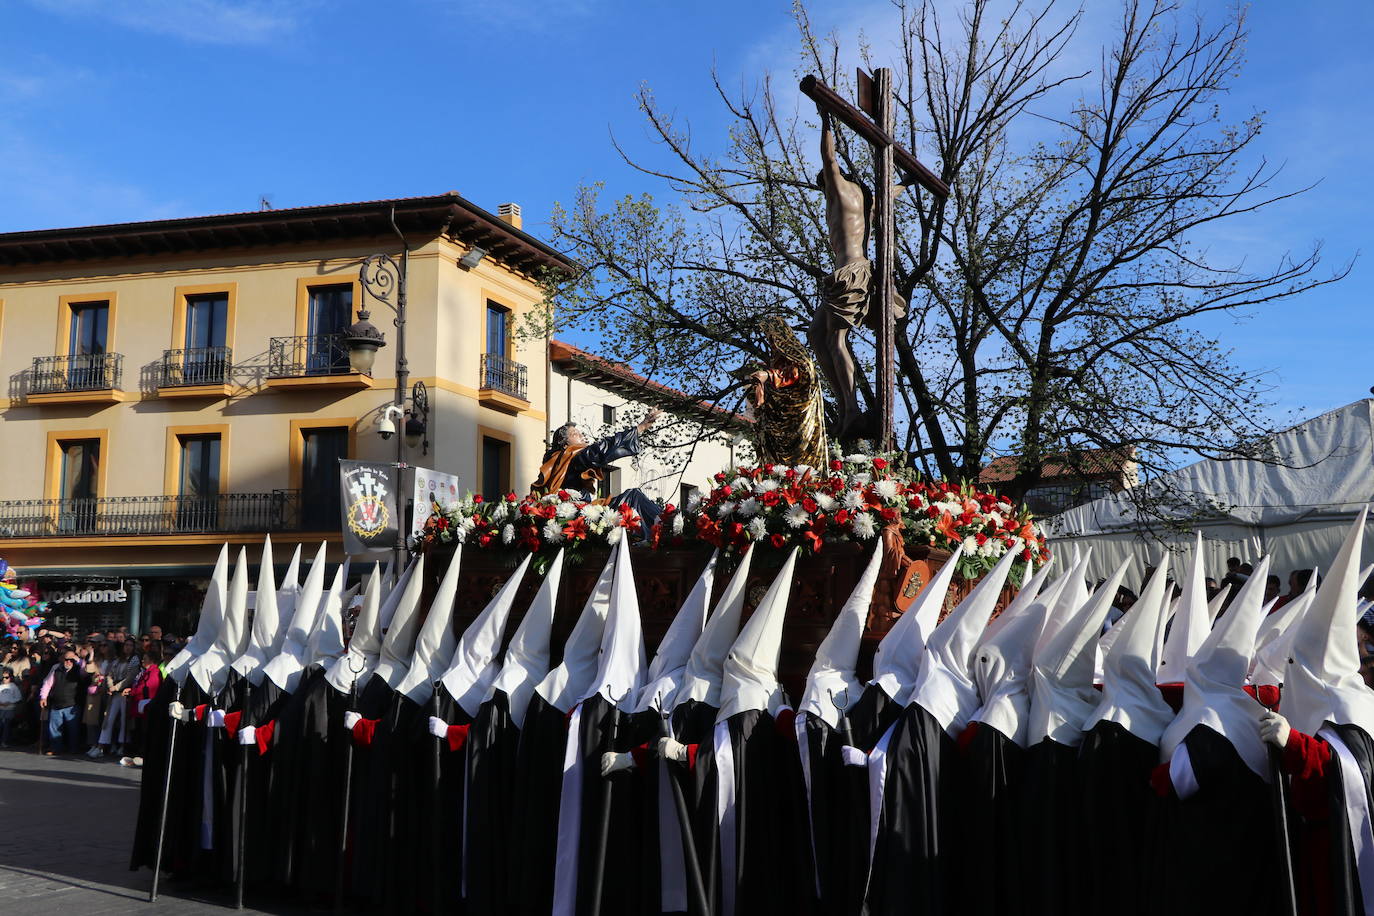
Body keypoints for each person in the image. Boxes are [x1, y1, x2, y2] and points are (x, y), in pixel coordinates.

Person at [530, 408, 663, 536]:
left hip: (582, 515)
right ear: (564, 444)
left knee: (632, 498)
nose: (582, 436)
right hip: (582, 521)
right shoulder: (571, 456)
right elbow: (600, 450)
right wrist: (640, 428)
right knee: (633, 497)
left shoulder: (558, 461)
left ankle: (655, 530)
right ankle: (667, 526)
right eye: (575, 434)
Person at [746, 316, 829, 470]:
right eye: (769, 339)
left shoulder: (799, 357)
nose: (771, 343)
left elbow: (801, 373)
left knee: (800, 460)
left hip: (799, 418)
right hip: (778, 422)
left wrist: (769, 375)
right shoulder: (776, 360)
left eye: (773, 338)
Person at [40, 650, 90, 755]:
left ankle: (73, 749)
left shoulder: (79, 670)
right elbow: (47, 684)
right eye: (66, 659)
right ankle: (55, 748)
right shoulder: (56, 669)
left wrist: (78, 660)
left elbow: (86, 671)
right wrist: (43, 697)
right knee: (54, 729)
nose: (68, 662)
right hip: (56, 704)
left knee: (73, 729)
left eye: (71, 660)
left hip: (72, 705)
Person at [0, 670, 21, 747]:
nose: (4, 679)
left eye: (6, 677)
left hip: (9, 708)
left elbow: (18, 697)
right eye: (3, 677)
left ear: (10, 678)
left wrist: (9, 702)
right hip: (0, 708)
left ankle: (4, 741)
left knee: (6, 725)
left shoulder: (13, 686)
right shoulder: (0, 685)